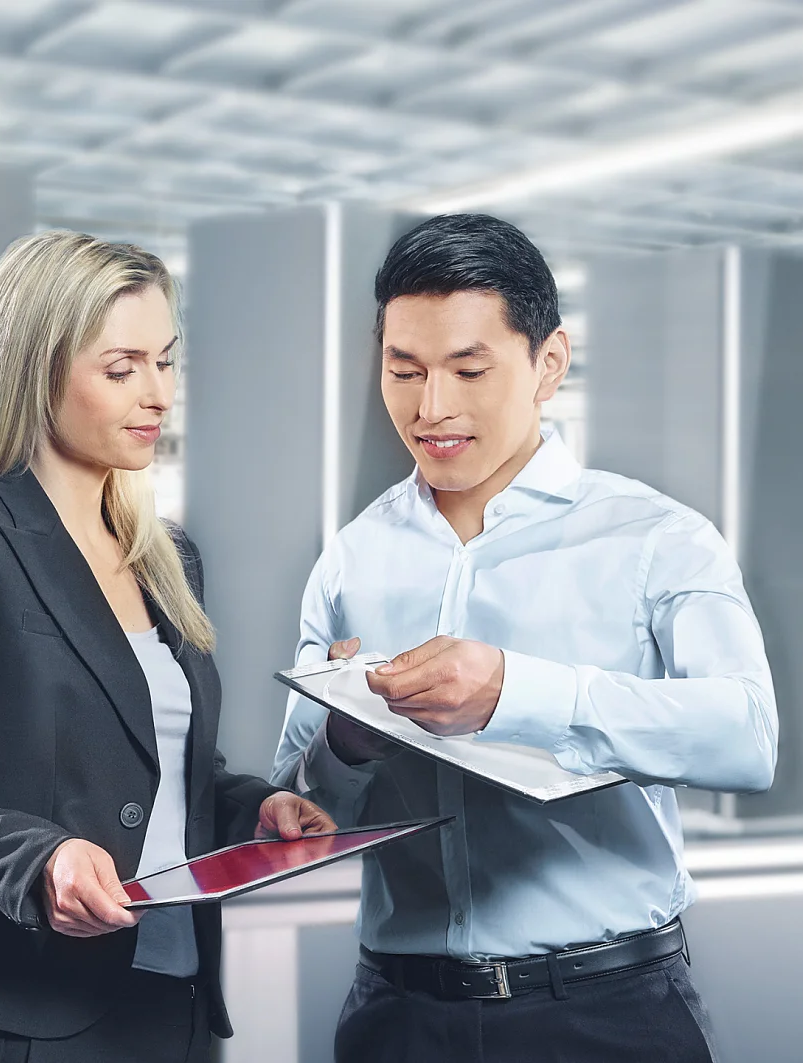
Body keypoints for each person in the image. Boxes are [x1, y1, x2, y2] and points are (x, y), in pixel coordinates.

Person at [273, 214, 777, 1063]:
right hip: (396, 1015)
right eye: (404, 371)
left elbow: (747, 735)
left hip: (603, 1014)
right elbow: (307, 803)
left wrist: (520, 692)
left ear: (549, 363)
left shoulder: (657, 536)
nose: (431, 407)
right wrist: (347, 741)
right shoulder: (352, 555)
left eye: (469, 369)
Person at [0, 230, 334, 1062]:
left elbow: (165, 767)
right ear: (36, 374)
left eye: (166, 361)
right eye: (122, 369)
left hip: (176, 1004)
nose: (157, 394)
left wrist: (252, 807)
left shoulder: (168, 558)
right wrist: (40, 859)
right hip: (36, 1016)